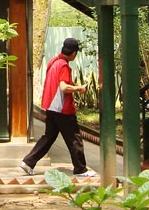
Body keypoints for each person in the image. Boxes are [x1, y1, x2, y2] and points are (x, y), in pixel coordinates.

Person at [19, 37, 95, 178]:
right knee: (74, 138)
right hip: (62, 109)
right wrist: (79, 88)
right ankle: (80, 169)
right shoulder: (64, 66)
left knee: (49, 137)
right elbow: (63, 87)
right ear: (73, 53)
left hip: (51, 107)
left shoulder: (53, 61)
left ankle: (28, 162)